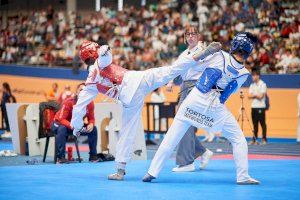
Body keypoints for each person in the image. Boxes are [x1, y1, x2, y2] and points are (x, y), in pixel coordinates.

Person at [70, 40, 222, 180]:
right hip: (138, 79)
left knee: (126, 131)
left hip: (129, 97)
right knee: (172, 70)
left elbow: (79, 107)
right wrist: (104, 50)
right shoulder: (100, 61)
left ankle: (120, 171)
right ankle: (200, 55)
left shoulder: (89, 84)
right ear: (93, 53)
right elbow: (105, 56)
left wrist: (76, 127)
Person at [143, 32, 260, 185]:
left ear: (235, 46)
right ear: (248, 52)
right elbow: (226, 94)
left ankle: (152, 172)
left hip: (195, 99)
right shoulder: (244, 74)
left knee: (171, 137)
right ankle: (243, 176)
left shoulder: (219, 55)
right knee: (238, 140)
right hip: (215, 107)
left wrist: (207, 51)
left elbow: (193, 63)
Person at [166, 26, 213, 172]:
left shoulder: (204, 50)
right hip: (184, 87)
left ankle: (187, 162)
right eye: (188, 34)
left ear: (198, 36)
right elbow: (176, 68)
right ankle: (203, 152)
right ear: (185, 37)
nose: (191, 36)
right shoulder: (184, 53)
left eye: (193, 34)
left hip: (197, 86)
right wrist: (170, 81)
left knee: (183, 122)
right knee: (183, 123)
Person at [51, 83, 98, 164]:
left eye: (85, 91)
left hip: (75, 126)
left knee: (93, 129)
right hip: (58, 123)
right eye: (81, 90)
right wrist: (72, 126)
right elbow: (61, 119)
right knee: (62, 129)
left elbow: (91, 119)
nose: (83, 92)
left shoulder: (90, 103)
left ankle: (93, 156)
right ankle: (60, 158)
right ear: (76, 92)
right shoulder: (68, 102)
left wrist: (91, 124)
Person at [248, 70, 268, 145]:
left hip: (261, 107)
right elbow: (248, 96)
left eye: (254, 75)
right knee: (254, 124)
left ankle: (264, 139)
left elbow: (261, 96)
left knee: (262, 123)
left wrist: (254, 95)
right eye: (252, 75)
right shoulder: (252, 85)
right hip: (253, 107)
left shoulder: (263, 84)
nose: (252, 77)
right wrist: (256, 95)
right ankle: (254, 139)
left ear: (258, 76)